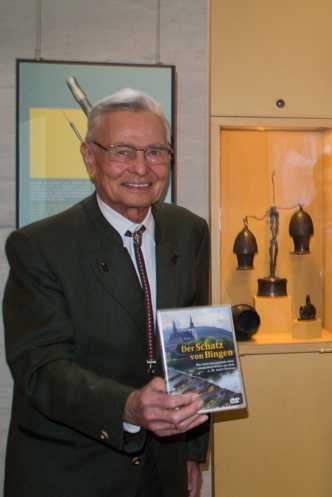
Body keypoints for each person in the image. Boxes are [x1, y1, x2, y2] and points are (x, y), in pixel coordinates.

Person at [3, 89, 210, 497]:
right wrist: (127, 406)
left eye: (155, 151)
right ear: (89, 158)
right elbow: (40, 367)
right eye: (123, 151)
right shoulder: (40, 246)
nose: (141, 168)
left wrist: (190, 452)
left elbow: (194, 340)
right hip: (73, 471)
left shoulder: (190, 231)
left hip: (162, 467)